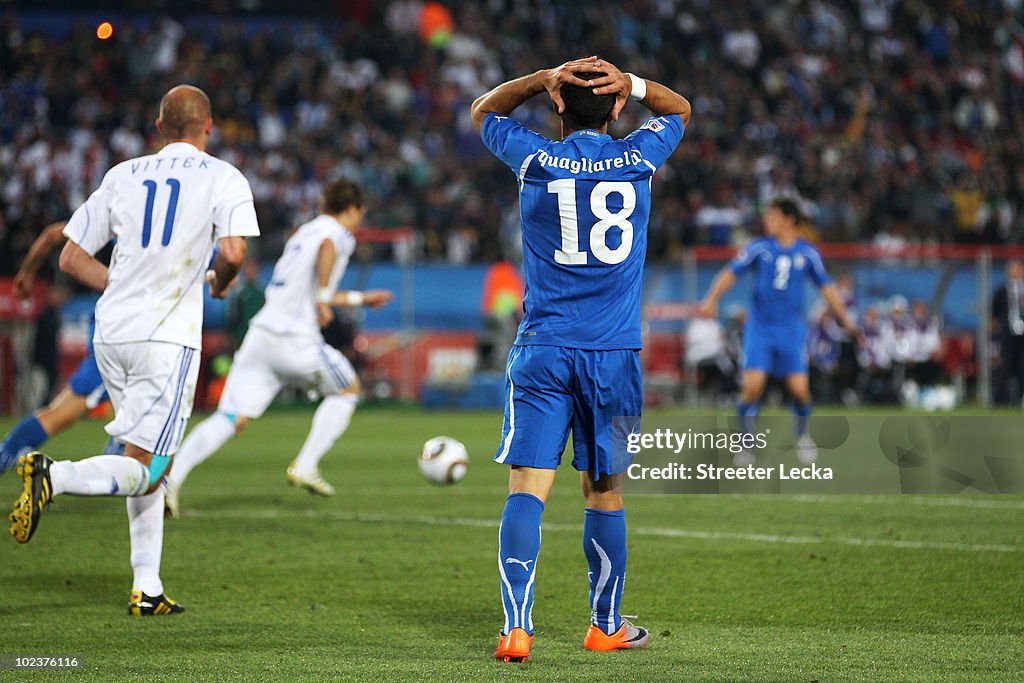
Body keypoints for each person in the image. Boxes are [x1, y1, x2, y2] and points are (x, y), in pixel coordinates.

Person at [8, 85, 259, 616]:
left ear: (159, 126)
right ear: (208, 125)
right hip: (166, 337)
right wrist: (220, 284)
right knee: (150, 468)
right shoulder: (223, 177)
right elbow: (233, 252)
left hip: (111, 332)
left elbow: (71, 258)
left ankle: (147, 585)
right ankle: (57, 475)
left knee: (141, 452)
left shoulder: (122, 175)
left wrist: (124, 289)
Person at [471, 56, 690, 662]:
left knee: (526, 491)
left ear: (556, 106)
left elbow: (484, 110)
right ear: (618, 107)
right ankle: (605, 625)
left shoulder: (535, 156)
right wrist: (639, 84)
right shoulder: (641, 156)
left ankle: (517, 628)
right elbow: (681, 110)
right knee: (604, 493)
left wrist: (538, 79)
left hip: (543, 349)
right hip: (613, 354)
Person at [163, 179, 393, 517]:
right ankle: (306, 464)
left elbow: (309, 288)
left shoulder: (303, 232)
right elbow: (329, 251)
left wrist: (354, 298)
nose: (360, 220)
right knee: (348, 390)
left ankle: (171, 480)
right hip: (295, 339)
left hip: (262, 334)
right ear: (352, 209)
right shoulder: (336, 233)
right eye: (361, 213)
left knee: (230, 418)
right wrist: (326, 295)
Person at [699, 199, 859, 465]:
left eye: (772, 217)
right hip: (760, 329)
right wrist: (711, 299)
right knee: (752, 388)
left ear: (789, 219)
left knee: (799, 391)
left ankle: (801, 434)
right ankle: (746, 443)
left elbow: (827, 287)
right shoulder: (759, 248)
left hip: (791, 330)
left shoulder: (807, 253)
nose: (767, 222)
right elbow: (731, 272)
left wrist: (846, 319)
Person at [0, 223, 111, 475]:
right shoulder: (161, 207)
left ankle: (123, 459)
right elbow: (69, 258)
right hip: (130, 328)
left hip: (117, 319)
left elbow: (52, 235)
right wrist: (122, 286)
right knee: (64, 411)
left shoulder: (119, 197)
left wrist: (27, 273)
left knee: (141, 409)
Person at [991, 259, 1024, 404]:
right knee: (1005, 365)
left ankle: (1021, 397)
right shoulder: (1001, 291)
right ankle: (1000, 399)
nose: (1012, 271)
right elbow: (994, 316)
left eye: (1015, 267)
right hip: (1007, 333)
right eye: (1010, 268)